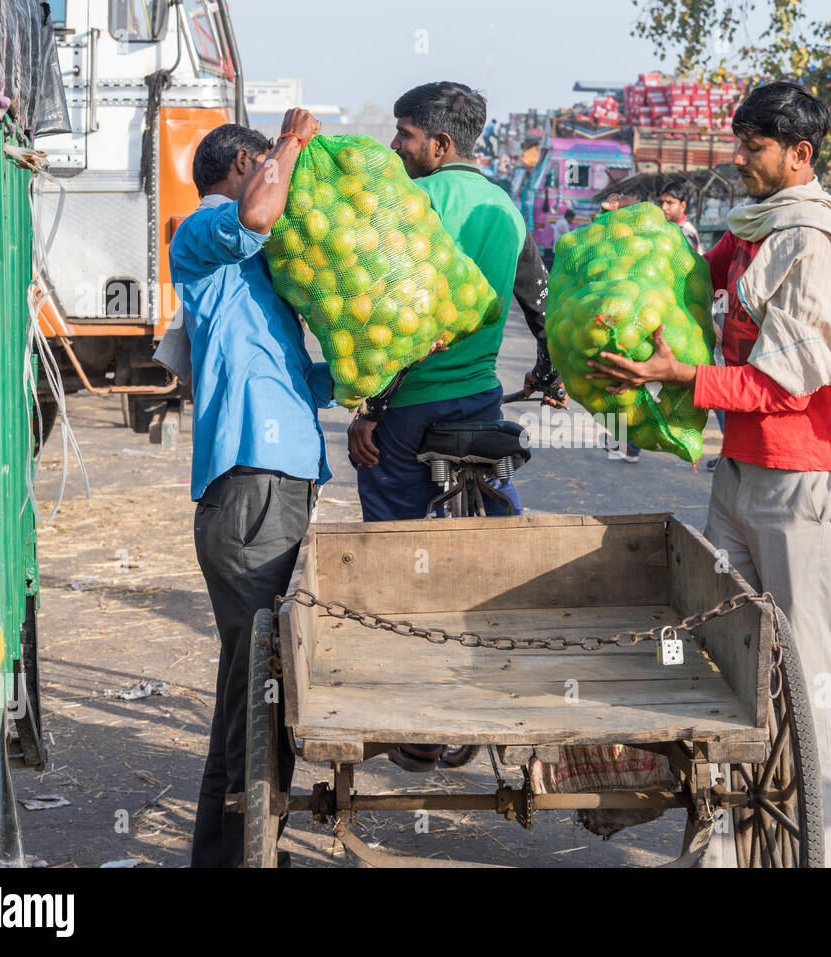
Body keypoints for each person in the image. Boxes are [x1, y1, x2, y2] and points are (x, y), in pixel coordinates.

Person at [592, 81, 831, 867]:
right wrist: (635, 251)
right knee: (719, 659)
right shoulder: (748, 231)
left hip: (803, 487)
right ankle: (721, 849)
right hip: (737, 477)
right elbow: (686, 284)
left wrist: (677, 377)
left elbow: (781, 383)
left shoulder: (809, 243)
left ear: (800, 155)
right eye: (738, 142)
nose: (739, 158)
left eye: (755, 146)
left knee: (811, 679)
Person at [345, 82, 564, 768]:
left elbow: (392, 319)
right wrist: (549, 375)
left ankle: (412, 697)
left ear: (439, 145)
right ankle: (512, 623)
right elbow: (541, 303)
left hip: (413, 404)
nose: (396, 146)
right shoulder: (507, 206)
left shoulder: (414, 204)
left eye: (405, 135)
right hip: (480, 398)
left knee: (390, 520)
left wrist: (369, 408)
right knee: (499, 525)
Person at [169, 109, 332, 868]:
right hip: (249, 489)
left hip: (275, 483)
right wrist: (293, 141)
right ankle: (247, 853)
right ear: (241, 164)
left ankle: (228, 852)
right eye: (266, 160)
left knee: (252, 682)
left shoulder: (256, 280)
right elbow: (258, 212)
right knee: (262, 687)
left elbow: (303, 382)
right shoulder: (204, 229)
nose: (281, 175)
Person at [659, 180, 704, 253]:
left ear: (682, 206)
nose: (663, 207)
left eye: (669, 203)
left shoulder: (685, 232)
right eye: (661, 202)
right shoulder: (671, 228)